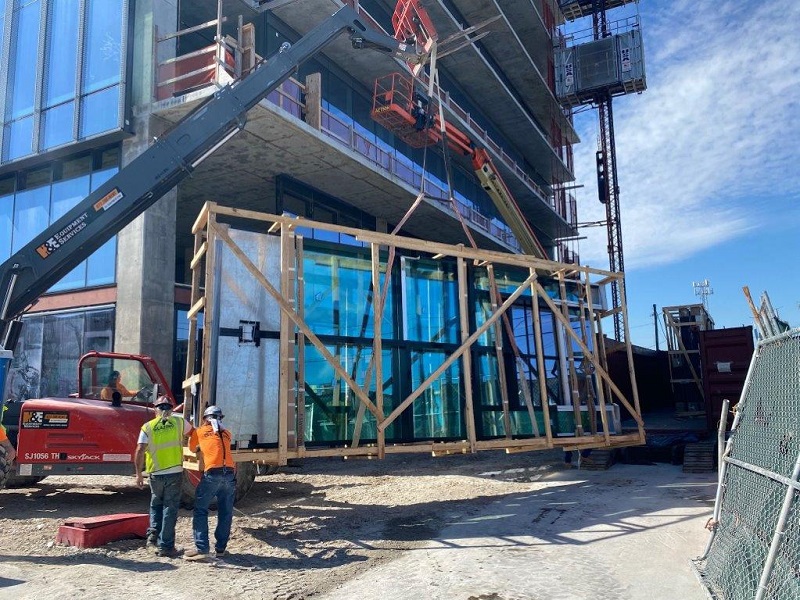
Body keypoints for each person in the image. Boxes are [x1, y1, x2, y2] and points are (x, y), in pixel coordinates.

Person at [134, 397, 193, 558]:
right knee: (170, 509)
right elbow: (194, 433)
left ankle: (152, 538)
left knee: (156, 505)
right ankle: (166, 547)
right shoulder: (179, 423)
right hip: (174, 472)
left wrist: (139, 473)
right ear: (171, 409)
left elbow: (140, 450)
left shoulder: (148, 426)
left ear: (155, 410)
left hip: (155, 474)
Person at [184, 405, 236, 561]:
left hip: (212, 474)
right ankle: (221, 549)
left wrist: (200, 444)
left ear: (205, 419)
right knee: (226, 512)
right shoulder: (227, 433)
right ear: (221, 418)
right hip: (229, 475)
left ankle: (202, 549)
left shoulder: (200, 431)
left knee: (200, 510)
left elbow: (192, 448)